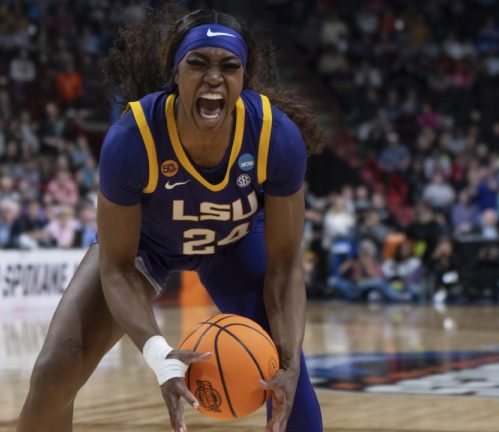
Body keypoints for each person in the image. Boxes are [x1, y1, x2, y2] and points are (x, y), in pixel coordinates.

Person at [17, 8, 323, 432]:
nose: (214, 77)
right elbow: (118, 267)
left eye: (229, 66)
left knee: (290, 375)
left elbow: (286, 264)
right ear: (175, 73)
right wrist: (158, 354)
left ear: (243, 80)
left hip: (233, 245)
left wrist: (288, 354)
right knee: (54, 373)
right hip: (147, 249)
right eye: (198, 63)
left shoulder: (276, 134)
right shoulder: (132, 138)